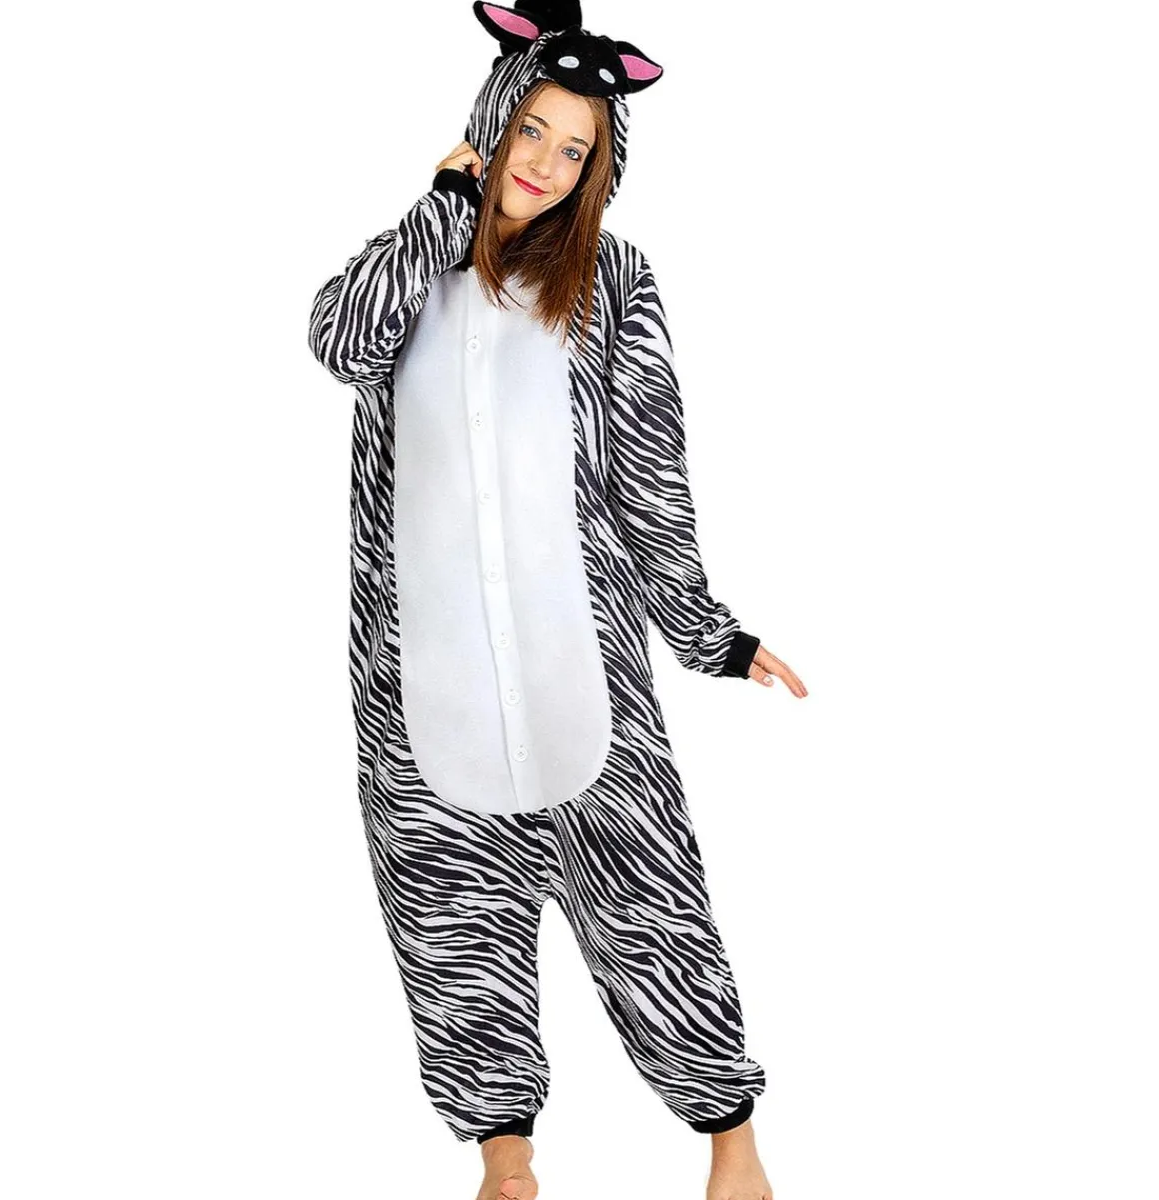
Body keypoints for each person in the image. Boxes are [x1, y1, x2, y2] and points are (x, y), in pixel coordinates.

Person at [307, 4, 807, 1198]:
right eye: (530, 129)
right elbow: (338, 342)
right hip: (422, 677)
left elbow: (649, 470)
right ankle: (506, 1161)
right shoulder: (408, 266)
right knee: (451, 925)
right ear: (492, 122)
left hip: (578, 663)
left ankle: (733, 1144)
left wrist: (706, 632)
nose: (543, 162)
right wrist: (443, 208)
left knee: (650, 906)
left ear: (598, 169)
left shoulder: (614, 281)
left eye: (573, 148)